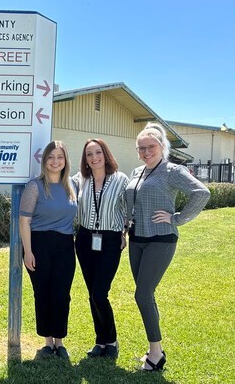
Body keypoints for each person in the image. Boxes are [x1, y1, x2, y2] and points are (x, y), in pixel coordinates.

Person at [125, 123, 210, 371]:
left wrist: (176, 218)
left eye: (151, 146)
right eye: (141, 148)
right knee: (145, 295)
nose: (146, 151)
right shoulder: (137, 172)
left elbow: (201, 192)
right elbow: (130, 201)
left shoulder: (172, 171)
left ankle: (156, 352)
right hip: (137, 239)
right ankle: (155, 350)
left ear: (162, 146)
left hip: (161, 239)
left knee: (142, 294)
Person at [19, 140, 77, 358]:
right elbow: (24, 221)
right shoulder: (34, 186)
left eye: (60, 157)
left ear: (65, 160)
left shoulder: (72, 186)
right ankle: (47, 341)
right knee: (42, 293)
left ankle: (59, 341)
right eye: (51, 157)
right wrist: (28, 251)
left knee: (62, 294)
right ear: (44, 161)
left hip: (64, 246)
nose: (55, 161)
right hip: (39, 245)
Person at [72, 139, 129, 358]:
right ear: (85, 159)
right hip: (85, 239)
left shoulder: (120, 179)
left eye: (98, 152)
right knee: (91, 294)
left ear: (105, 154)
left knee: (100, 293)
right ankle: (100, 341)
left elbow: (127, 209)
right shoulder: (79, 180)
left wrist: (124, 233)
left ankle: (112, 341)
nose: (94, 157)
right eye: (89, 154)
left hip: (110, 240)